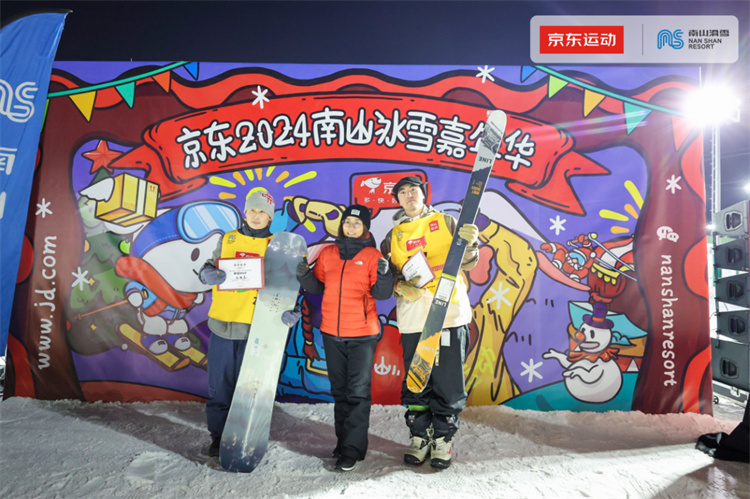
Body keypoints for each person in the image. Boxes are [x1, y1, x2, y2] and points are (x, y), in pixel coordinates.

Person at [380, 176, 479, 470]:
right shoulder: (392, 235)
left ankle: (443, 439)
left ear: (424, 195)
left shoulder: (446, 221)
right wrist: (398, 286)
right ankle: (420, 436)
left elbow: (468, 262)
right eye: (402, 192)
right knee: (416, 378)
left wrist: (472, 243)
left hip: (449, 311)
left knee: (448, 378)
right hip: (414, 316)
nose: (409, 195)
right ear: (398, 200)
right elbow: (386, 276)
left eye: (414, 190)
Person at [296, 204, 393, 472]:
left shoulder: (372, 255)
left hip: (362, 334)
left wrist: (385, 274)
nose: (351, 226)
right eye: (347, 222)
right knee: (339, 392)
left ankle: (353, 450)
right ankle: (342, 444)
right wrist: (304, 275)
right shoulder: (328, 253)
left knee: (358, 393)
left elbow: (382, 294)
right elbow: (317, 287)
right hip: (331, 332)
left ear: (365, 228)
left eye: (356, 223)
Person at [198, 189, 276, 458]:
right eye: (252, 210)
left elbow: (285, 287)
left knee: (250, 389)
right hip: (222, 323)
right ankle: (218, 436)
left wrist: (290, 310)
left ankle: (245, 435)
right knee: (219, 386)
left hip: (256, 328)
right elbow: (208, 266)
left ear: (270, 216)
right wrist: (207, 274)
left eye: (262, 212)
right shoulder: (228, 238)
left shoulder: (276, 245)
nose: (256, 216)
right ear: (245, 212)